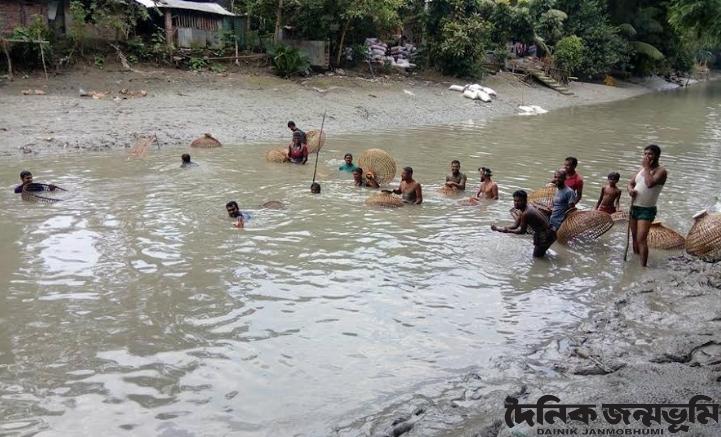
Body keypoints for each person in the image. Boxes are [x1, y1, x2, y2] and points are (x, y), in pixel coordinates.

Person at [627, 144, 667, 267]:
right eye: (645, 154)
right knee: (634, 237)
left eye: (650, 154)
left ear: (657, 156)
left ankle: (643, 267)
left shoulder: (661, 171)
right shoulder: (642, 170)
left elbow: (650, 184)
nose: (646, 156)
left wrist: (646, 168)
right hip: (634, 207)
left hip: (647, 210)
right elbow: (630, 183)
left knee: (641, 239)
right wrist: (630, 190)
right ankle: (635, 263)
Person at [491, 190, 556, 258]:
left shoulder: (526, 213)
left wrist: (508, 231)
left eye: (519, 201)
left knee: (537, 258)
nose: (516, 203)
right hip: (548, 232)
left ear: (525, 201)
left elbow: (522, 231)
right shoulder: (523, 210)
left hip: (546, 235)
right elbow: (515, 225)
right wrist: (499, 228)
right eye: (515, 201)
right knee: (540, 254)